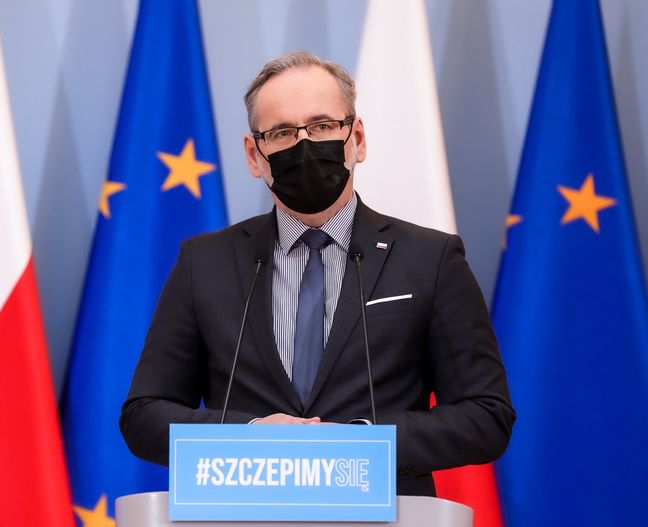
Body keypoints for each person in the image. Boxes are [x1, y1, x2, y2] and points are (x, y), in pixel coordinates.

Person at [119, 51, 515, 496]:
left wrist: (363, 443)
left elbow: (487, 415)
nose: (304, 146)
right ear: (254, 155)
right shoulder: (205, 262)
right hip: (244, 511)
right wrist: (249, 435)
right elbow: (144, 416)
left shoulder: (430, 258)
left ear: (357, 138)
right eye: (282, 133)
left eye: (323, 126)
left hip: (385, 514)